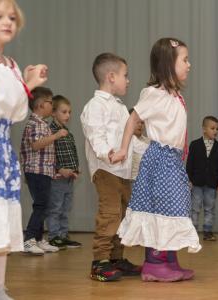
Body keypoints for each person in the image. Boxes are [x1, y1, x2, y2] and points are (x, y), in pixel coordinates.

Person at [111, 38, 201, 282]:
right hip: (160, 159)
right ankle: (153, 263)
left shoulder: (174, 96)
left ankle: (169, 260)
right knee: (160, 208)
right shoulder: (154, 94)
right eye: (184, 59)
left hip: (172, 160)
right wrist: (122, 149)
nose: (189, 64)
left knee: (173, 207)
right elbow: (133, 119)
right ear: (168, 64)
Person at [0, 1, 48, 297]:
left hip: (0, 148)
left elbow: (16, 114)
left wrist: (28, 84)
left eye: (12, 17)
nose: (7, 22)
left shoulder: (10, 66)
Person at [80, 53, 141, 282]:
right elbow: (96, 134)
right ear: (111, 76)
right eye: (126, 75)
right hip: (106, 170)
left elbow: (129, 139)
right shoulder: (95, 106)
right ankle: (100, 261)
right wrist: (108, 154)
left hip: (123, 172)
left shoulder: (120, 106)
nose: (128, 80)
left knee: (124, 215)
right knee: (110, 213)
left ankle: (116, 258)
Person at [21, 87, 67, 255]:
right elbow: (35, 145)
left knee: (43, 205)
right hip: (36, 171)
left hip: (43, 171)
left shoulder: (42, 124)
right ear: (40, 104)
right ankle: (29, 239)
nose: (52, 104)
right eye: (50, 101)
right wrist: (55, 136)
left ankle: (38, 240)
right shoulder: (34, 124)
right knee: (41, 205)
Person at [47, 95, 81, 249]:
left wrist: (75, 168)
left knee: (66, 208)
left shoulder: (67, 132)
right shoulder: (50, 132)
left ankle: (63, 235)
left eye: (69, 112)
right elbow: (48, 155)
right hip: (56, 177)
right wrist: (59, 169)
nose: (68, 115)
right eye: (64, 112)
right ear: (53, 113)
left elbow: (72, 152)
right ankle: (54, 236)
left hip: (69, 177)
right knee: (55, 208)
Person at [186, 116, 218, 241]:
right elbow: (189, 164)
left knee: (209, 208)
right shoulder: (195, 145)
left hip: (212, 184)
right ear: (204, 129)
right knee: (195, 208)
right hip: (196, 183)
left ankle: (208, 231)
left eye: (217, 129)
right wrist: (188, 180)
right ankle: (193, 231)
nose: (215, 131)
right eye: (212, 128)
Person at [128, 108, 150, 182]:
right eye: (137, 122)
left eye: (142, 122)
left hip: (146, 183)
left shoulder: (148, 141)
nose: (140, 125)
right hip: (131, 182)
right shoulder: (127, 140)